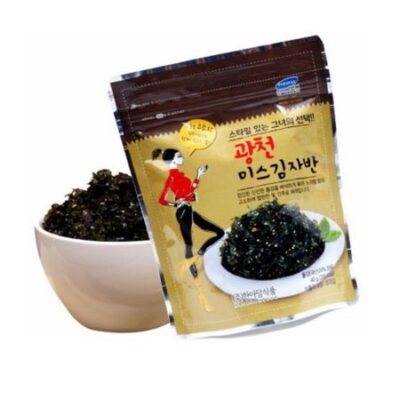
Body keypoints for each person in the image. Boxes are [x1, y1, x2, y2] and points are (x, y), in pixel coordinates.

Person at [152, 148, 224, 278]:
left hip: (188, 209)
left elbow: (190, 191)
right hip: (183, 212)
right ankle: (193, 269)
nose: (182, 158)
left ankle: (201, 252)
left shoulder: (179, 175)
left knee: (220, 232)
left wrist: (198, 175)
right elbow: (161, 200)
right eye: (179, 156)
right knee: (188, 244)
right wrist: (175, 204)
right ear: (172, 160)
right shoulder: (172, 177)